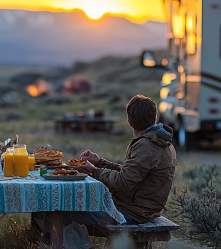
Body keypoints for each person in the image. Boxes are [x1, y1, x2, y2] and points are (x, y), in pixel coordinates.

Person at [73, 94, 177, 226]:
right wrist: (99, 162)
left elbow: (123, 182)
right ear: (155, 119)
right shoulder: (161, 141)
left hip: (131, 214)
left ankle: (69, 247)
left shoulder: (146, 145)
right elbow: (131, 173)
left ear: (129, 122)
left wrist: (94, 171)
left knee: (68, 209)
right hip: (142, 209)